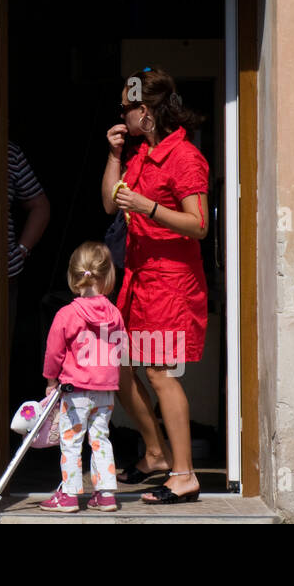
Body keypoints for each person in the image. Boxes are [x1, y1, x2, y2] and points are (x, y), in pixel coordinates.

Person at [101, 67, 209, 504]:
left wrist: (148, 207)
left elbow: (198, 224)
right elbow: (110, 202)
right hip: (139, 278)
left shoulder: (183, 157)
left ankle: (184, 475)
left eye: (126, 109)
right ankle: (155, 452)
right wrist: (113, 156)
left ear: (145, 112)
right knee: (120, 369)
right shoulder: (142, 154)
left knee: (161, 373)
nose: (121, 116)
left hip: (169, 280)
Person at [38, 241, 125, 513]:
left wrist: (51, 380)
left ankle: (69, 495)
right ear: (108, 276)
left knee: (71, 440)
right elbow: (120, 346)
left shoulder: (67, 314)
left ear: (74, 276)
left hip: (75, 390)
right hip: (106, 390)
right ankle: (106, 494)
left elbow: (54, 352)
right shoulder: (115, 314)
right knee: (101, 438)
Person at [7, 140, 50, 342]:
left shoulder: (9, 152)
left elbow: (39, 206)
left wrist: (22, 249)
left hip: (3, 274)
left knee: (0, 344)